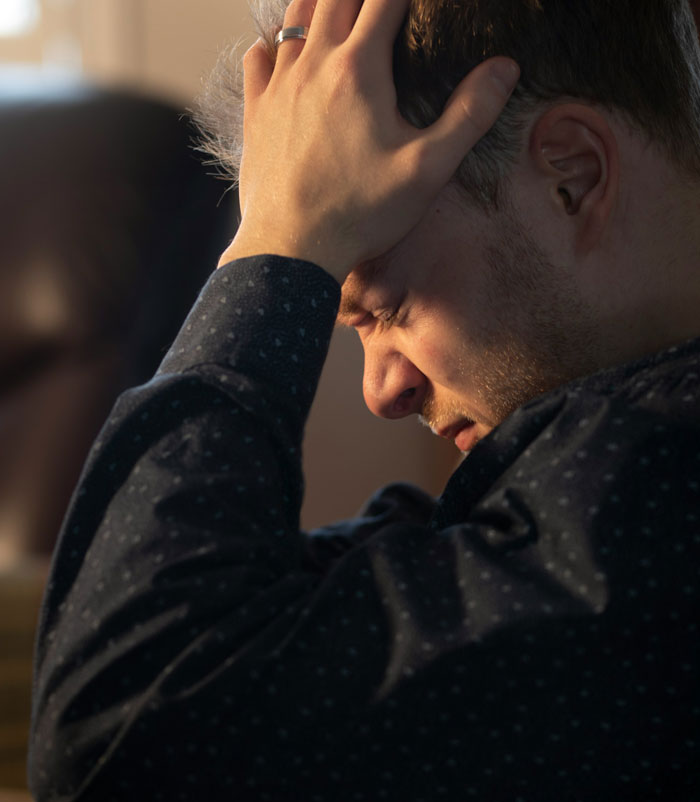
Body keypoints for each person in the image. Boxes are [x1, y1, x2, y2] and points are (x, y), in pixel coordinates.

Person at [29, 0, 700, 799]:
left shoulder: (653, 497)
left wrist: (283, 243)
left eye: (385, 307)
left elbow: (121, 732)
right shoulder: (588, 489)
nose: (383, 390)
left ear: (572, 178)